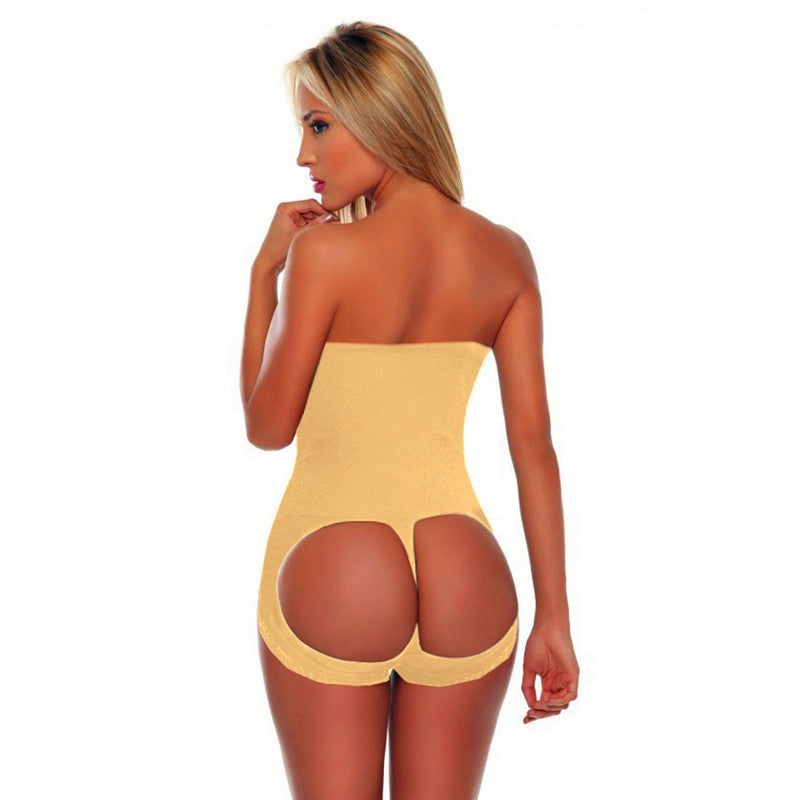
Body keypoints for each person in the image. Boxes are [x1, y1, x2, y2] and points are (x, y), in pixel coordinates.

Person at [239, 20, 579, 799]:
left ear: (380, 114)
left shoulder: (322, 256)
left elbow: (267, 427)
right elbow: (534, 446)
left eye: (318, 125)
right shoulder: (507, 256)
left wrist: (264, 277)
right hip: (468, 572)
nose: (303, 156)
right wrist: (554, 619)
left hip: (338, 565)